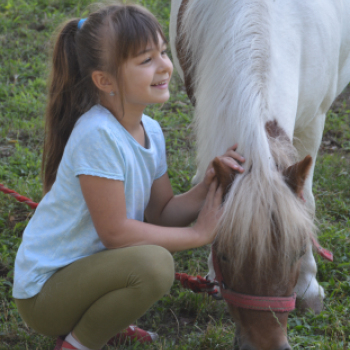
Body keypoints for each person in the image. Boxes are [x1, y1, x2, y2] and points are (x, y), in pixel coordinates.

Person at [12, 3, 245, 350]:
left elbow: (162, 212)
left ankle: (104, 321)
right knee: (154, 265)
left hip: (87, 276)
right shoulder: (98, 135)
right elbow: (116, 233)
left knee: (151, 262)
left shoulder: (149, 129)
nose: (164, 65)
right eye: (145, 60)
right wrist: (199, 234)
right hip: (44, 294)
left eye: (163, 52)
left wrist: (207, 185)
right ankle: (77, 343)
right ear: (105, 81)